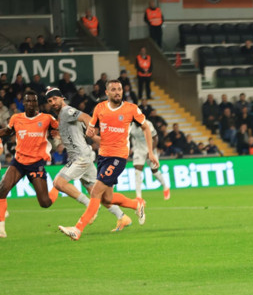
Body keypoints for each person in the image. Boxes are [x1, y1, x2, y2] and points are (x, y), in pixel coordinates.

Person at [58, 80, 157, 241]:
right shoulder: (100, 108)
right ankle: (136, 204)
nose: (117, 92)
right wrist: (91, 133)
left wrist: (150, 152)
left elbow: (146, 128)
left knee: (96, 192)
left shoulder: (131, 109)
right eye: (113, 89)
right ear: (107, 92)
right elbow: (93, 132)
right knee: (107, 198)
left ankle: (77, 229)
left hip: (118, 157)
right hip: (103, 156)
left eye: (119, 89)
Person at [44, 87, 132, 232]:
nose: (53, 102)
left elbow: (86, 117)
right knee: (99, 195)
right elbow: (77, 131)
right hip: (83, 156)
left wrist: (91, 129)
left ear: (62, 98)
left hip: (80, 158)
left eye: (55, 99)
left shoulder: (67, 111)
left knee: (58, 182)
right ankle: (122, 217)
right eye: (49, 101)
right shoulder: (63, 116)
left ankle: (89, 206)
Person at [0, 91, 59, 237]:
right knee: (2, 189)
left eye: (34, 101)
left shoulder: (46, 118)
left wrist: (57, 134)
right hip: (18, 162)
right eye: (28, 101)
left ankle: (58, 186)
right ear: (24, 103)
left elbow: (60, 128)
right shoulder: (16, 118)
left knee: (45, 203)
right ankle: (1, 227)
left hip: (36, 164)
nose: (31, 103)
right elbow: (7, 131)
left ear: (37, 103)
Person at [130, 118, 170, 200]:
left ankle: (165, 186)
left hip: (150, 148)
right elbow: (130, 137)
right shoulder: (131, 126)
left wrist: (151, 151)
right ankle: (139, 197)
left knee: (154, 171)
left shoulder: (148, 124)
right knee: (137, 172)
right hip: (139, 150)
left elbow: (155, 138)